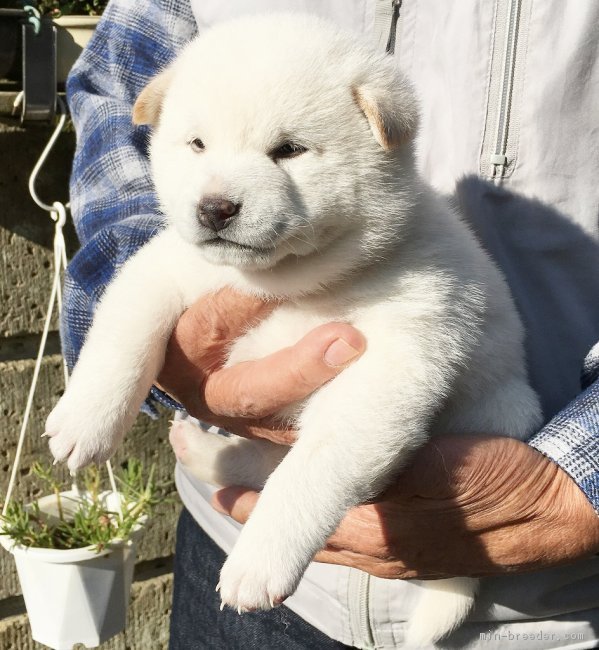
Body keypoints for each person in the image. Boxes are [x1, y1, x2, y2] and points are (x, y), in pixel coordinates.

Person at [62, 1, 599, 648]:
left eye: (286, 149)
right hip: (230, 556)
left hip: (537, 579)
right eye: (197, 144)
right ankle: (252, 469)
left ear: (379, 133)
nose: (215, 194)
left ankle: (439, 574)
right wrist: (107, 389)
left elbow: (380, 399)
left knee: (421, 408)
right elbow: (148, 265)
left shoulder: (415, 262)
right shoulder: (197, 210)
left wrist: (574, 482)